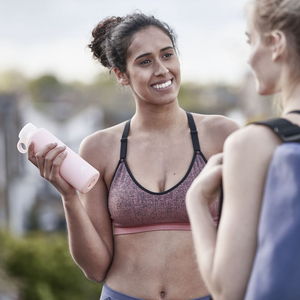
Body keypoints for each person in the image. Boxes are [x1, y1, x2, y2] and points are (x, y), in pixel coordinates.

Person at [27, 13, 238, 300]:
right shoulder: (99, 148)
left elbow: (245, 240)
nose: (162, 69)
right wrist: (68, 197)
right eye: (145, 61)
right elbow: (95, 269)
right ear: (121, 74)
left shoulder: (221, 135)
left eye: (167, 55)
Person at [186, 0, 300, 299]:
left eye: (251, 41)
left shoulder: (254, 143)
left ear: (276, 43)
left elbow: (227, 290)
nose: (249, 58)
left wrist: (196, 201)